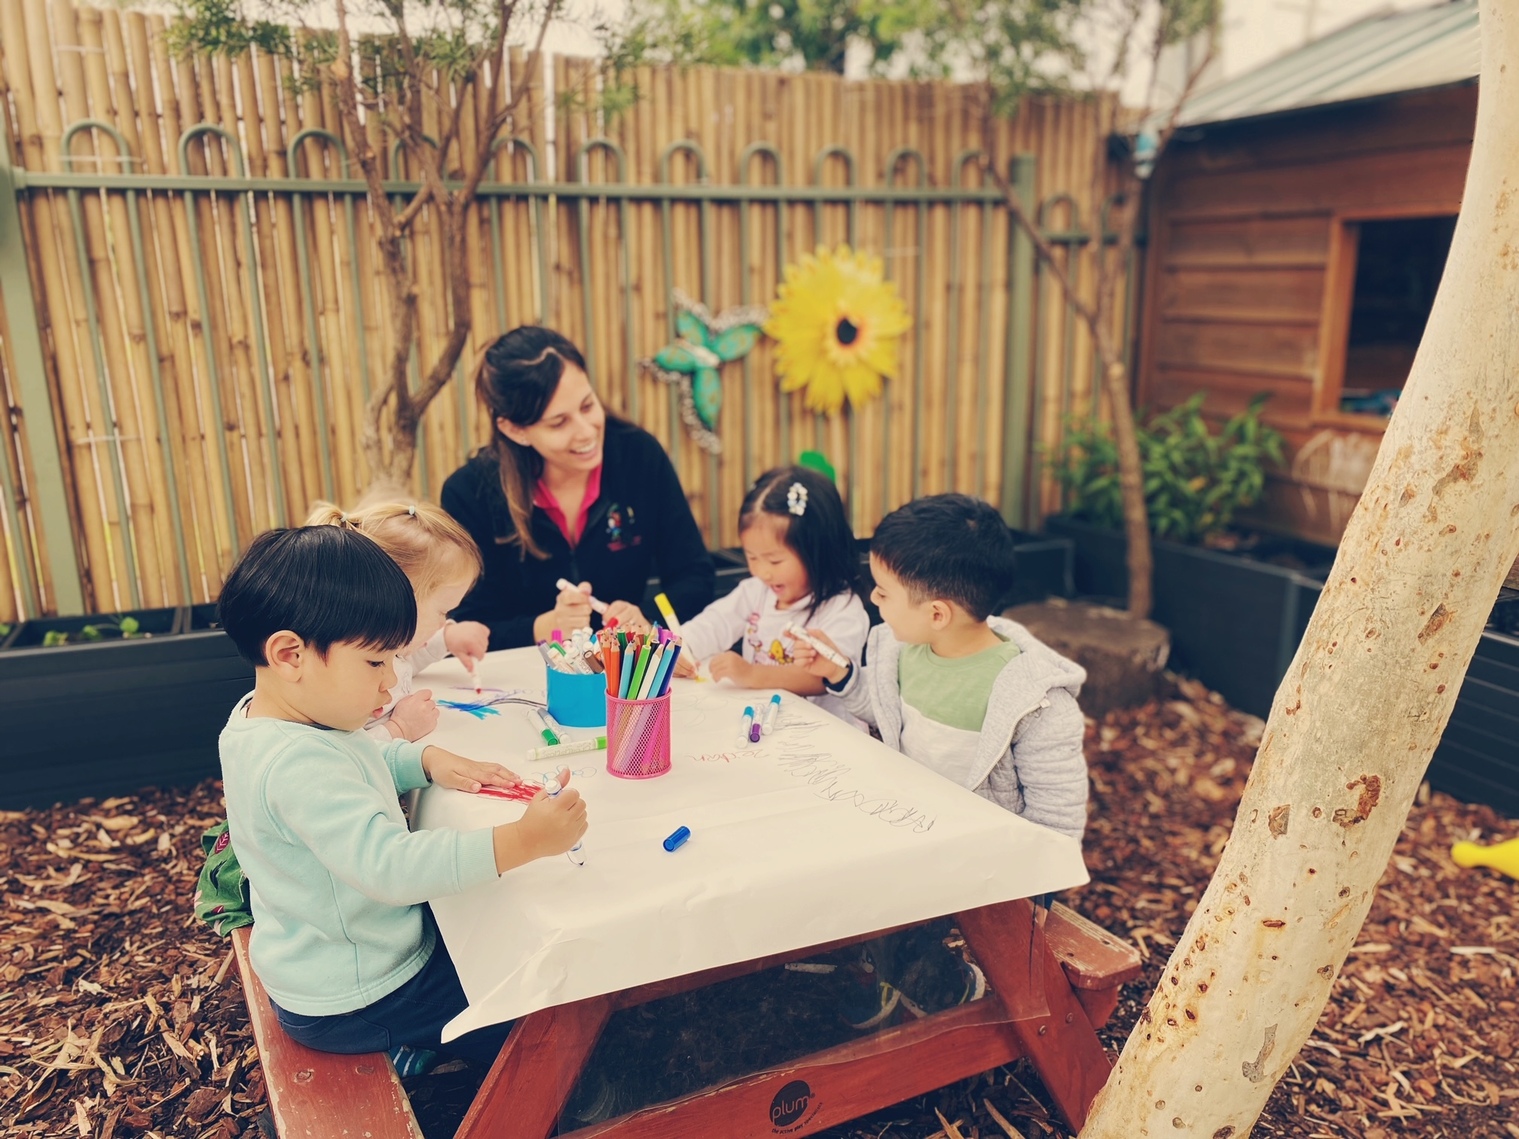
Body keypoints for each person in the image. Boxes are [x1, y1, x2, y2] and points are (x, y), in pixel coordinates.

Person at [215, 526, 587, 1066]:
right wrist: (526, 840)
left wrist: (424, 760)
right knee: (523, 993)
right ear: (290, 654)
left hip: (337, 957)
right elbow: (392, 868)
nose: (392, 682)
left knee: (485, 922)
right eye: (375, 663)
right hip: (358, 994)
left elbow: (352, 762)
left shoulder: (268, 716)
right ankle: (527, 1095)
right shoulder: (296, 762)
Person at [790, 493, 1088, 1027]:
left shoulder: (1033, 698)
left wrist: (1038, 890)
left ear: (936, 613)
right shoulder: (900, 650)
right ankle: (875, 965)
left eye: (883, 591)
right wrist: (840, 677)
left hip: (976, 856)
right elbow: (884, 712)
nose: (873, 599)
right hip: (908, 826)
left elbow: (1057, 810)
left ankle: (951, 984)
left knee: (900, 921)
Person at [442, 327, 715, 648]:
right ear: (515, 430)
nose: (587, 432)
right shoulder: (469, 492)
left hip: (625, 674)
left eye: (587, 406)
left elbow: (694, 576)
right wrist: (546, 627)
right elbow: (463, 626)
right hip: (514, 683)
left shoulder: (638, 456)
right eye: (559, 423)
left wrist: (646, 616)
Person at [673, 465, 869, 724]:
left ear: (817, 551)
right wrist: (679, 649)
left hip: (823, 737)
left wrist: (753, 674)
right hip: (763, 725)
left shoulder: (842, 609)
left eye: (775, 561)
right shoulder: (755, 592)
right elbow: (714, 624)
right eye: (752, 557)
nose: (762, 572)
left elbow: (823, 677)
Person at [305, 495, 491, 743]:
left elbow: (408, 660)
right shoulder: (345, 676)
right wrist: (400, 729)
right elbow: (337, 756)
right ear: (397, 601)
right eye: (442, 611)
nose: (442, 621)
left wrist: (446, 638)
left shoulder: (390, 654)